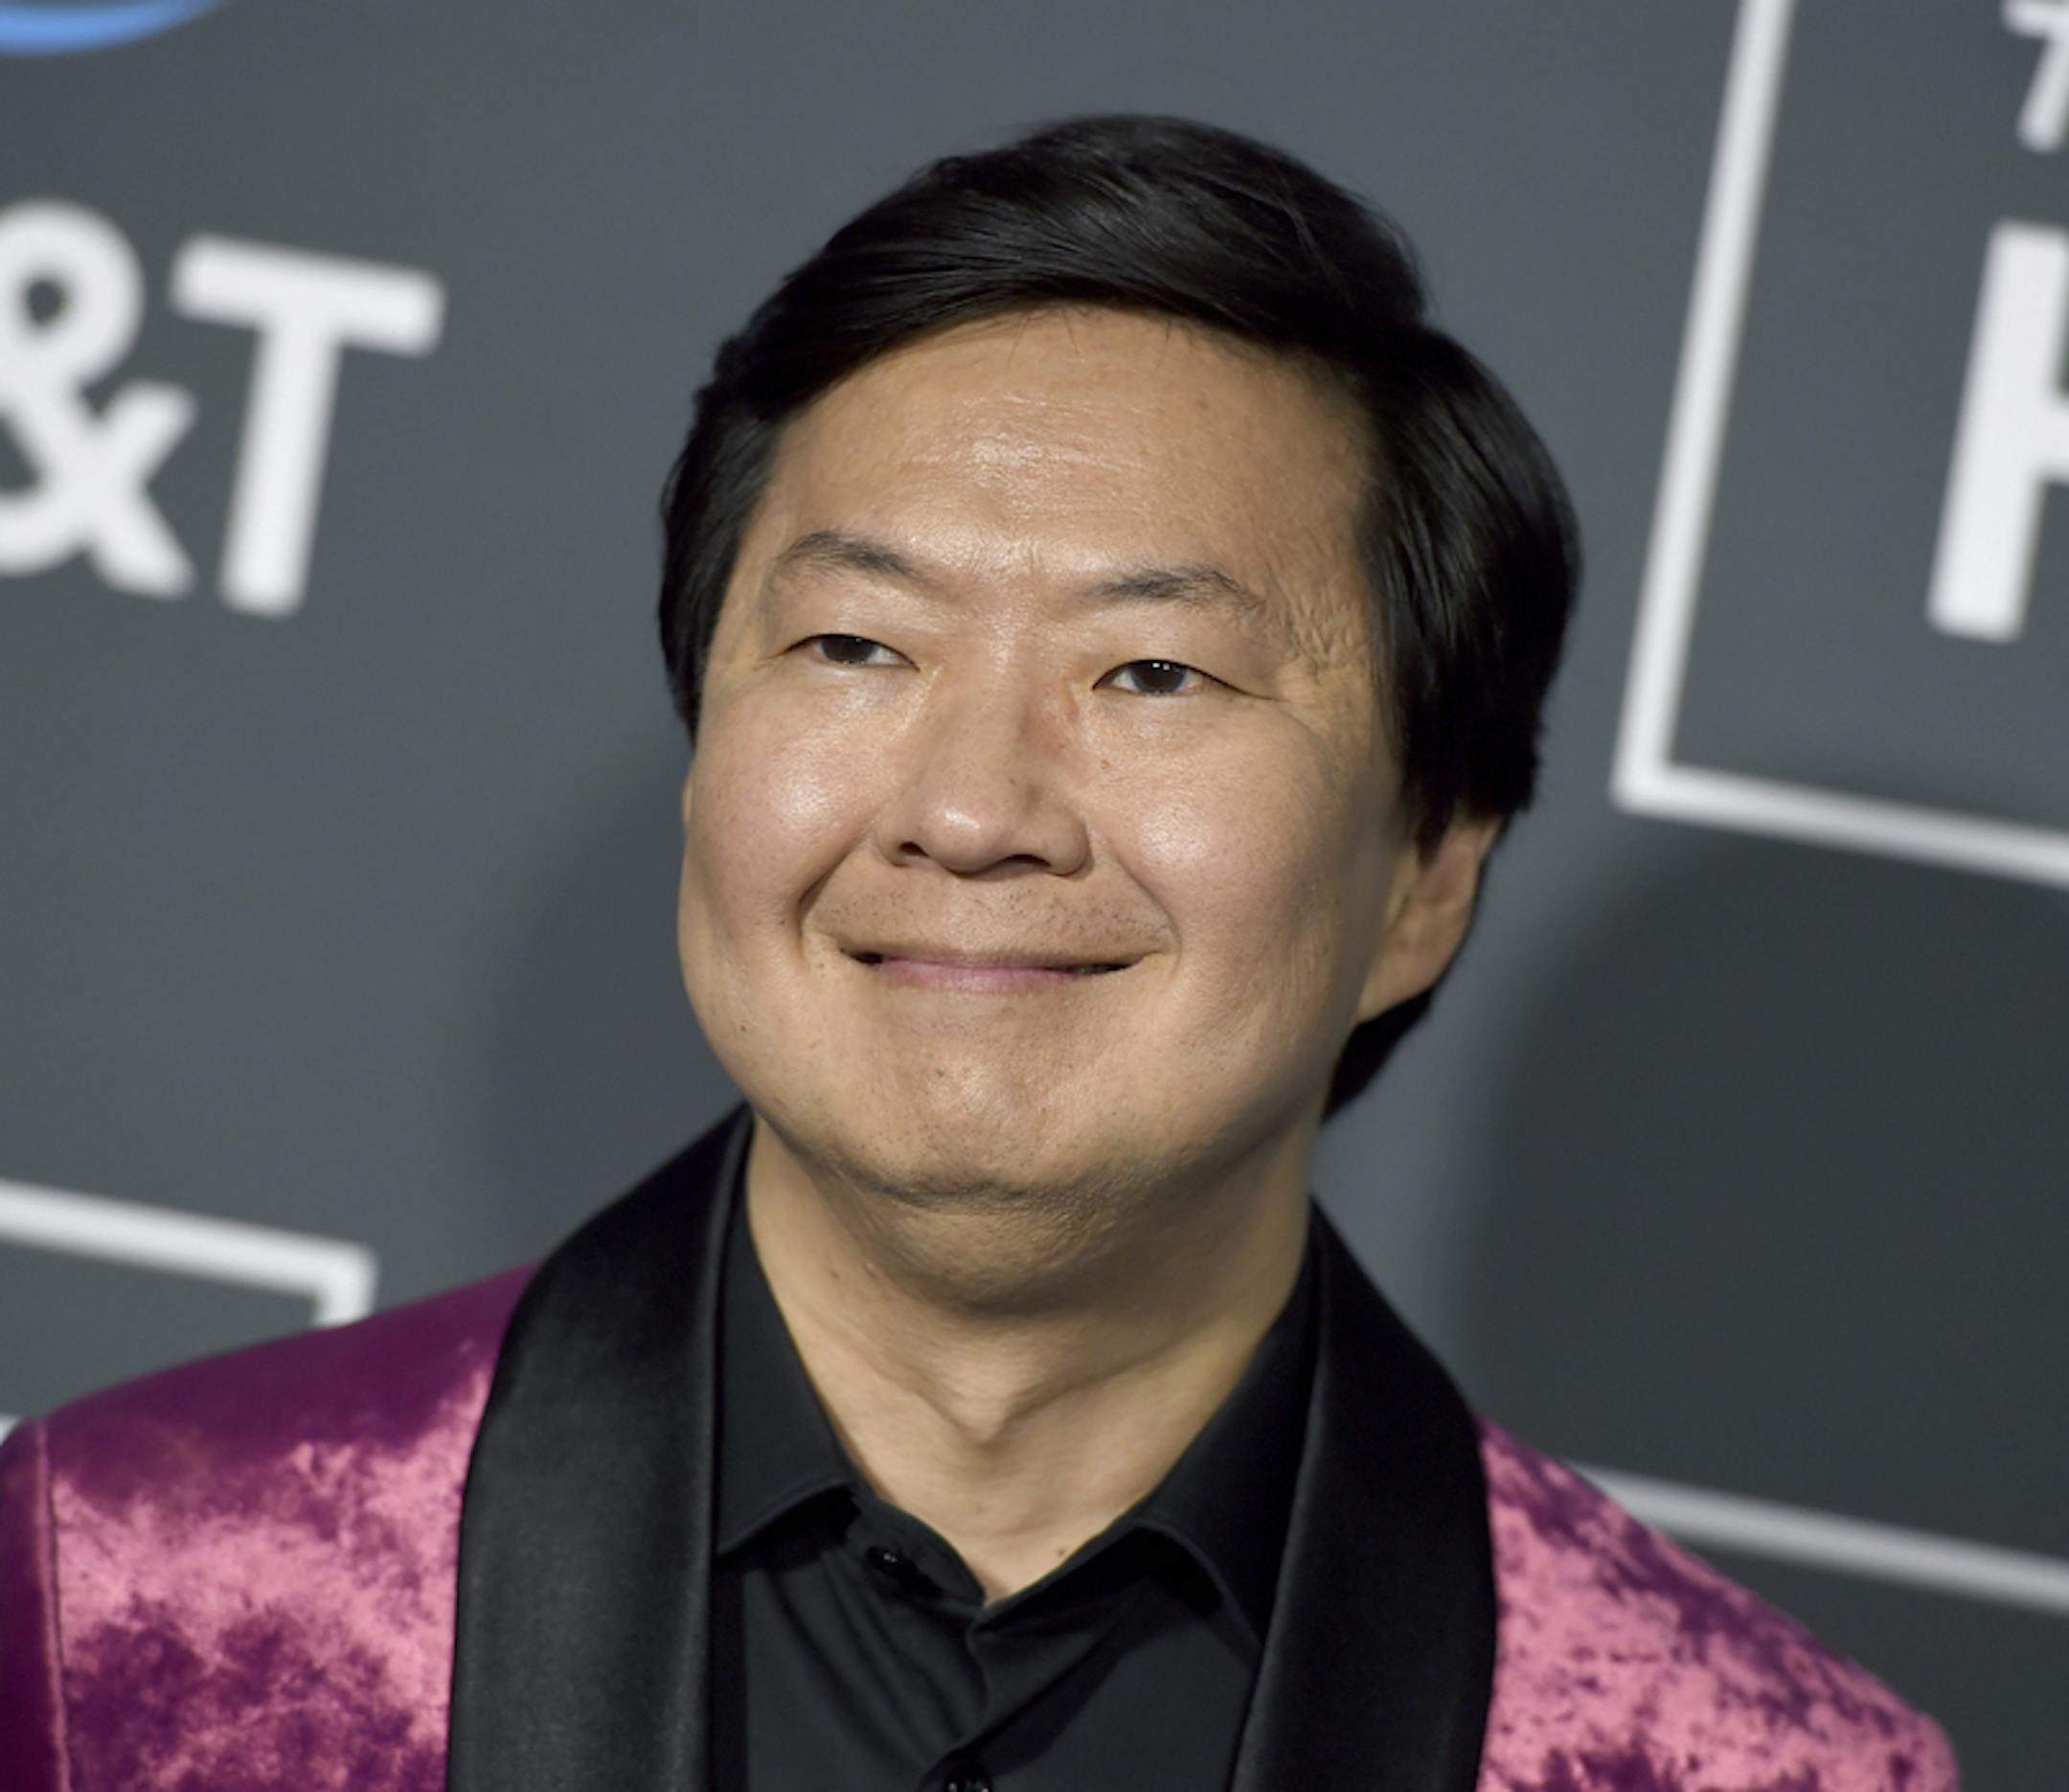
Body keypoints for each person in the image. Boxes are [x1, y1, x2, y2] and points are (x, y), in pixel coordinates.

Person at [0, 115, 1957, 1791]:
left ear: (1429, 873)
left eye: (1154, 670)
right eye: (859, 647)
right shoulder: (128, 1594)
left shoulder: (1752, 1760)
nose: (971, 806)